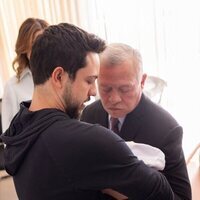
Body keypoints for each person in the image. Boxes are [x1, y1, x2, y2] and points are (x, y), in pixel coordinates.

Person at [1, 23, 180, 200]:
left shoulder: (19, 127)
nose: (94, 92)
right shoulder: (88, 139)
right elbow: (161, 191)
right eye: (89, 80)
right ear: (59, 77)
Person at [81, 43, 191, 200]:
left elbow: (181, 197)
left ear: (142, 81)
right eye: (105, 89)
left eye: (125, 89)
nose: (114, 99)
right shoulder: (89, 114)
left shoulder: (166, 129)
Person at [1, 18, 49, 133]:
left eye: (44, 43)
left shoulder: (59, 78)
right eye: (34, 44)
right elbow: (9, 137)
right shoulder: (12, 87)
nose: (40, 49)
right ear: (24, 48)